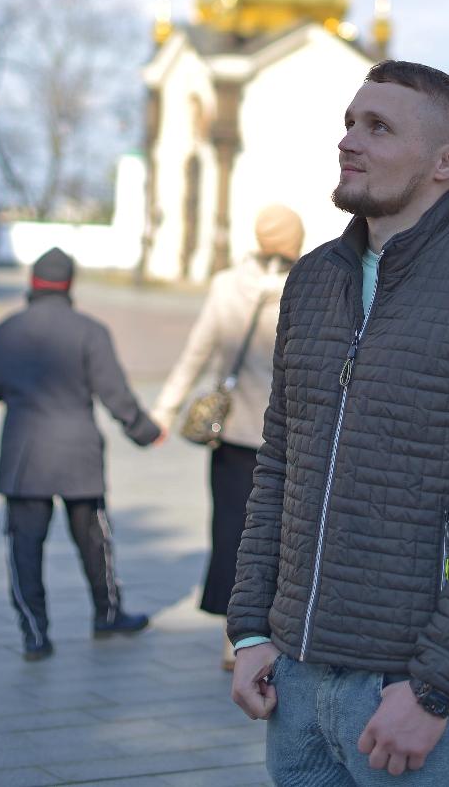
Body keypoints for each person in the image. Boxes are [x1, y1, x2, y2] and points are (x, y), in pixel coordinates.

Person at [228, 60, 449, 785]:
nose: (350, 141)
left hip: (409, 692)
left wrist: (434, 689)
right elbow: (279, 466)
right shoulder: (313, 279)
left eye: (378, 128)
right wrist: (252, 629)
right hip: (294, 676)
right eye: (351, 123)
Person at [0, 247, 163, 660]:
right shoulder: (90, 331)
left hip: (25, 460)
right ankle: (107, 613)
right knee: (95, 541)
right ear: (69, 284)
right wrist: (145, 431)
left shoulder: (6, 330)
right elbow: (115, 393)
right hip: (78, 456)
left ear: (33, 283)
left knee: (24, 548)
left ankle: (35, 634)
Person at [151, 204, 304, 670]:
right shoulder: (308, 288)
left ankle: (231, 639)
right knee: (283, 535)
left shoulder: (226, 285)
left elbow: (196, 352)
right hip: (289, 435)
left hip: (233, 434)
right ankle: (272, 634)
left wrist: (165, 409)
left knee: (230, 531)